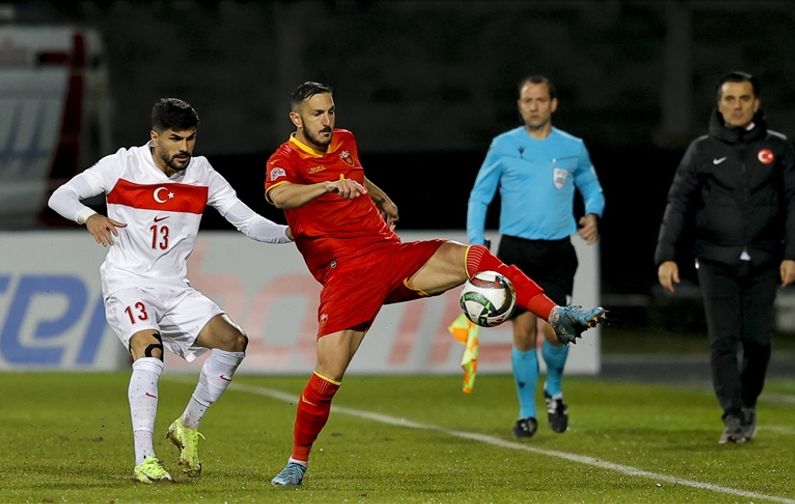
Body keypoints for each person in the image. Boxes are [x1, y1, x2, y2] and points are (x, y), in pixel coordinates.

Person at [264, 81, 606, 487]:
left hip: (389, 254)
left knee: (472, 256)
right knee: (327, 377)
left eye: (331, 111)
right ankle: (296, 463)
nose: (327, 121)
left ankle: (559, 315)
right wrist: (325, 185)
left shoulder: (345, 140)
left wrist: (380, 197)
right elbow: (279, 196)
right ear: (296, 118)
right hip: (346, 272)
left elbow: (354, 174)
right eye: (317, 114)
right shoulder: (285, 158)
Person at [48, 98, 293, 483]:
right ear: (154, 137)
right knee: (150, 353)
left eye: (190, 139)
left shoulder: (202, 174)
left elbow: (247, 221)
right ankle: (144, 458)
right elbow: (60, 196)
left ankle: (186, 426)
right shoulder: (122, 165)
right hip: (127, 282)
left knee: (233, 341)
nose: (184, 148)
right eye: (175, 139)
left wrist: (291, 233)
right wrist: (89, 215)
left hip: (174, 288)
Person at [654, 71, 795, 444]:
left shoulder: (779, 148)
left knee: (757, 341)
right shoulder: (702, 150)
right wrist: (666, 255)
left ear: (756, 103)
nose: (736, 106)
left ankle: (748, 401)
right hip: (713, 259)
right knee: (723, 339)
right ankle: (733, 415)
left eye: (743, 99)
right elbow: (679, 202)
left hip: (764, 259)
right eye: (729, 99)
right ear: (719, 104)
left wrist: (794, 254)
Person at [467, 75, 605, 438]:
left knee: (556, 332)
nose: (533, 106)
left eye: (540, 100)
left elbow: (592, 186)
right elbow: (480, 196)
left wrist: (593, 213)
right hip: (515, 251)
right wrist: (476, 242)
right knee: (524, 333)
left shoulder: (572, 147)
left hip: (557, 250)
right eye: (527, 100)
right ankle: (527, 413)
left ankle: (554, 389)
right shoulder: (503, 145)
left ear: (553, 104)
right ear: (520, 104)